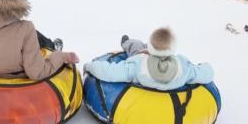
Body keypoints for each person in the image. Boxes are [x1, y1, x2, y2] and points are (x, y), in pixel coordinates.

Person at [84, 27, 214, 91]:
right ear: (173, 49)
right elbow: (207, 73)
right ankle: (158, 48)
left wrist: (90, 66)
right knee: (145, 47)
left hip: (142, 55)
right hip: (161, 55)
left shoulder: (138, 65)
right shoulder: (183, 68)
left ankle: (126, 43)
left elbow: (110, 72)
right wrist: (205, 66)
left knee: (135, 45)